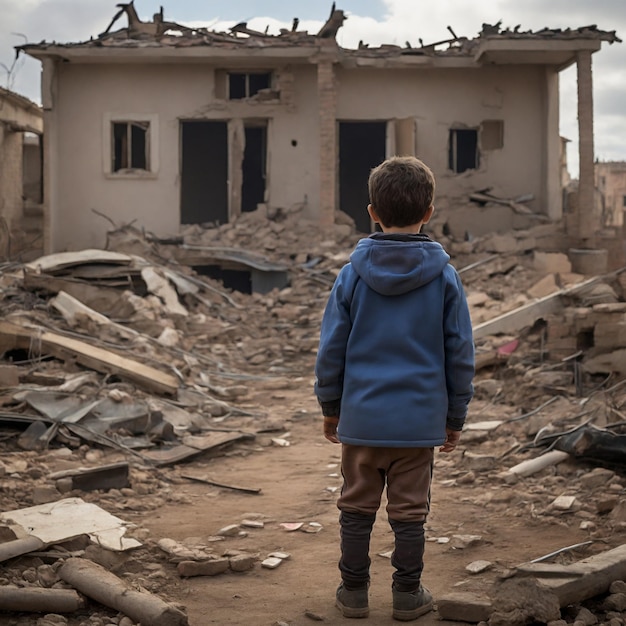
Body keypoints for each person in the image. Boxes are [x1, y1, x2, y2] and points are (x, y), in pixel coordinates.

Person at [314, 156, 475, 621]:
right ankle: (407, 595)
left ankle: (353, 593)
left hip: (361, 419)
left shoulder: (351, 274)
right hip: (419, 422)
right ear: (429, 213)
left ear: (372, 212)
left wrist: (330, 405)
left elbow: (332, 348)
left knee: (355, 506)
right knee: (410, 512)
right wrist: (454, 417)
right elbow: (459, 352)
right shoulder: (445, 276)